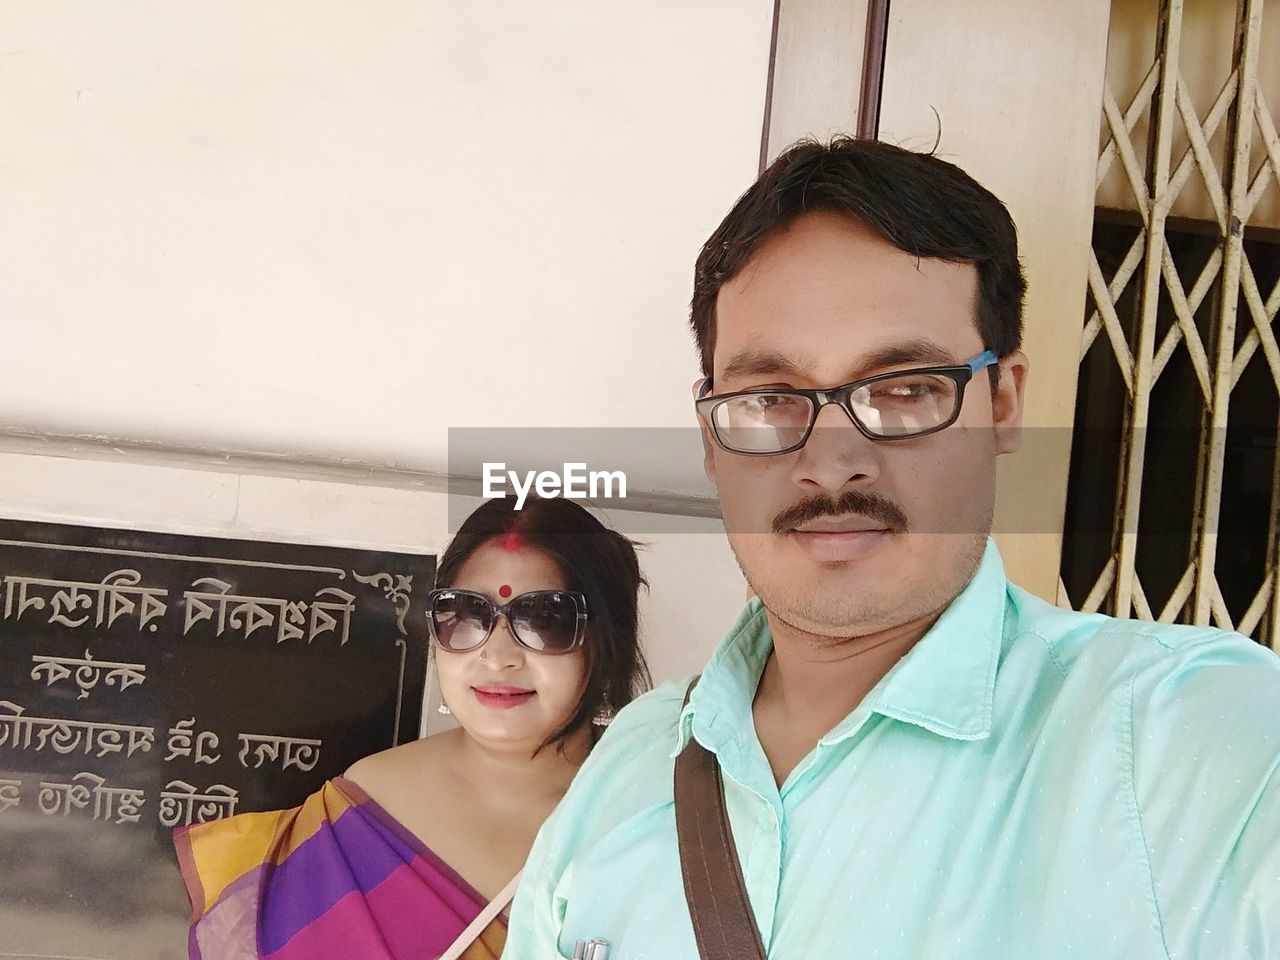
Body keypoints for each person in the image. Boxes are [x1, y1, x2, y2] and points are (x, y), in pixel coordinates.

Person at [503, 138, 1280, 958]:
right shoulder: (630, 766)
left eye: (904, 389)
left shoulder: (1194, 746)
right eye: (769, 397)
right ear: (710, 432)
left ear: (1004, 401)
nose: (831, 462)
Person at [174, 495, 649, 960]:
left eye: (545, 619)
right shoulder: (362, 809)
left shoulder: (651, 819)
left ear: (607, 642)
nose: (498, 656)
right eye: (465, 614)